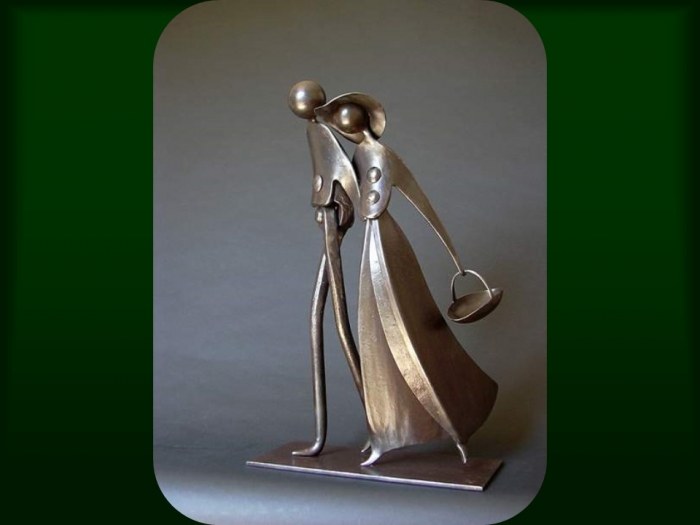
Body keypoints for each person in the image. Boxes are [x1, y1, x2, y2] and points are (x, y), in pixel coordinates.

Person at [315, 94, 499, 466]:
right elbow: (347, 196)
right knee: (378, 334)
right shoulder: (358, 157)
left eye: (346, 122)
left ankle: (448, 427)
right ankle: (388, 431)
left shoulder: (382, 155)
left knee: (404, 331)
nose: (346, 129)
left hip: (386, 243)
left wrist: (455, 259)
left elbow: (419, 200)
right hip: (372, 244)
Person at [287, 81, 367, 457]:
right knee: (321, 319)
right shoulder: (316, 129)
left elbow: (340, 178)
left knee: (336, 322)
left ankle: (378, 428)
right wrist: (323, 206)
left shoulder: (320, 132)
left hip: (334, 219)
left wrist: (329, 210)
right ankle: (325, 436)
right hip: (330, 218)